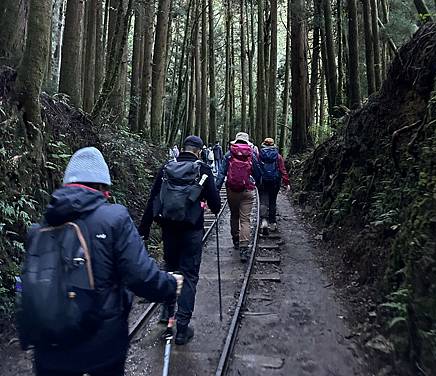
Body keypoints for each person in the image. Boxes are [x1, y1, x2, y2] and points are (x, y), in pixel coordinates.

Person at [22, 147, 182, 376]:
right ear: (102, 186)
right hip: (100, 346)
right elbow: (140, 276)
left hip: (48, 347)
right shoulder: (114, 218)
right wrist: (169, 285)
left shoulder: (40, 228)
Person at [139, 135, 221, 345]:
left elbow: (153, 198)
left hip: (169, 231)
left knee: (170, 270)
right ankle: (182, 329)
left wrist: (145, 228)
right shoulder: (202, 169)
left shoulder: (167, 168)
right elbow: (215, 203)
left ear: (183, 149)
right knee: (189, 276)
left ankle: (166, 316)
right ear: (199, 151)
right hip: (192, 232)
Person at [216, 132, 260, 263]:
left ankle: (236, 240)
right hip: (247, 190)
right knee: (245, 219)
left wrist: (215, 190)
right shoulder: (251, 154)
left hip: (232, 190)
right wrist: (256, 183)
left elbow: (221, 174)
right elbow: (258, 172)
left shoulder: (229, 154)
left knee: (234, 215)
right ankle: (244, 248)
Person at [257, 137, 289, 234]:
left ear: (264, 144)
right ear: (273, 145)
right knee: (272, 201)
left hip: (263, 181)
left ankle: (264, 221)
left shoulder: (259, 155)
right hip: (275, 182)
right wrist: (286, 182)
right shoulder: (278, 156)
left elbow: (256, 168)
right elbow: (282, 169)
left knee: (263, 201)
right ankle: (272, 223)